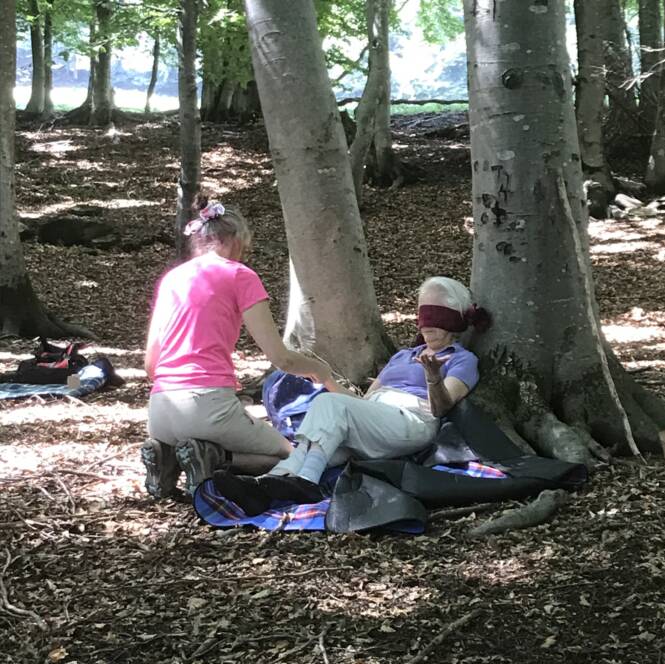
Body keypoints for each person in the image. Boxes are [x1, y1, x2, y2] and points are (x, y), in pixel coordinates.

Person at [213, 276, 490, 515]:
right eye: (423, 316)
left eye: (437, 316)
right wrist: (326, 380)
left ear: (456, 321)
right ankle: (262, 489)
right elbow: (362, 404)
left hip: (413, 421)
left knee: (327, 409)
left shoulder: (462, 360)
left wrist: (433, 378)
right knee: (313, 448)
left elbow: (441, 408)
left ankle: (306, 483)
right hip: (376, 420)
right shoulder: (404, 356)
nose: (426, 325)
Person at [142, 195, 336, 497]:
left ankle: (169, 459)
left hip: (159, 412)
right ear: (233, 239)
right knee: (289, 454)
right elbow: (281, 358)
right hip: (207, 405)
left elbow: (151, 364)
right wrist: (320, 370)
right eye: (244, 247)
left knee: (211, 431)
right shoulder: (240, 276)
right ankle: (216, 458)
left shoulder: (172, 279)